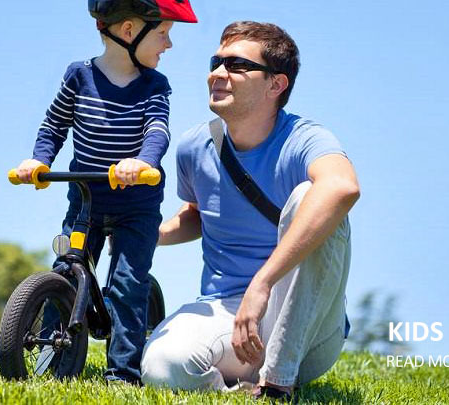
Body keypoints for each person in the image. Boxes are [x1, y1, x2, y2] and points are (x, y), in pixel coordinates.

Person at [141, 21, 360, 401]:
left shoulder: (304, 138)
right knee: (162, 366)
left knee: (313, 195)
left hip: (307, 326)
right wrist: (145, 234)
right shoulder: (195, 145)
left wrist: (262, 284)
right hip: (227, 315)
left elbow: (343, 187)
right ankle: (241, 393)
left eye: (236, 65)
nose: (216, 74)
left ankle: (279, 381)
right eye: (216, 62)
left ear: (276, 84)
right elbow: (197, 213)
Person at [13, 0, 197, 384]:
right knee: (66, 269)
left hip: (136, 203)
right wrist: (39, 161)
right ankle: (53, 359)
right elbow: (54, 124)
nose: (168, 45)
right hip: (86, 199)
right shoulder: (79, 76)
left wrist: (143, 162)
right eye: (164, 33)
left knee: (128, 286)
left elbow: (157, 130)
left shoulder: (155, 86)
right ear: (129, 31)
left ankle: (123, 373)